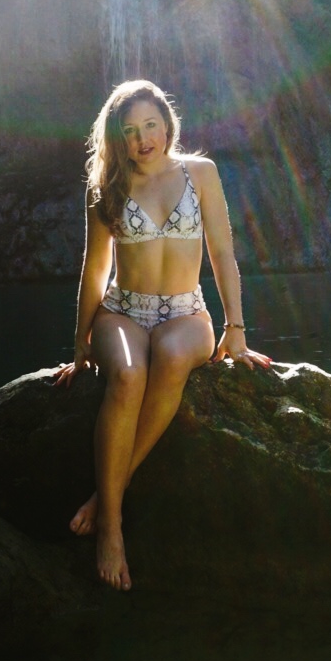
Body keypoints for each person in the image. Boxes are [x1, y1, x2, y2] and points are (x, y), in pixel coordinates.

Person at [53, 78, 270, 590]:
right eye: (129, 131)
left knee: (172, 359)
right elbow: (96, 268)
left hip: (185, 313)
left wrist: (236, 328)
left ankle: (106, 496)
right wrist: (81, 343)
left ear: (167, 125)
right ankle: (112, 527)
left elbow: (222, 253)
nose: (142, 139)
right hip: (122, 312)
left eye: (151, 125)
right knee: (128, 375)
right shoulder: (106, 185)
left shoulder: (201, 173)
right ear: (117, 137)